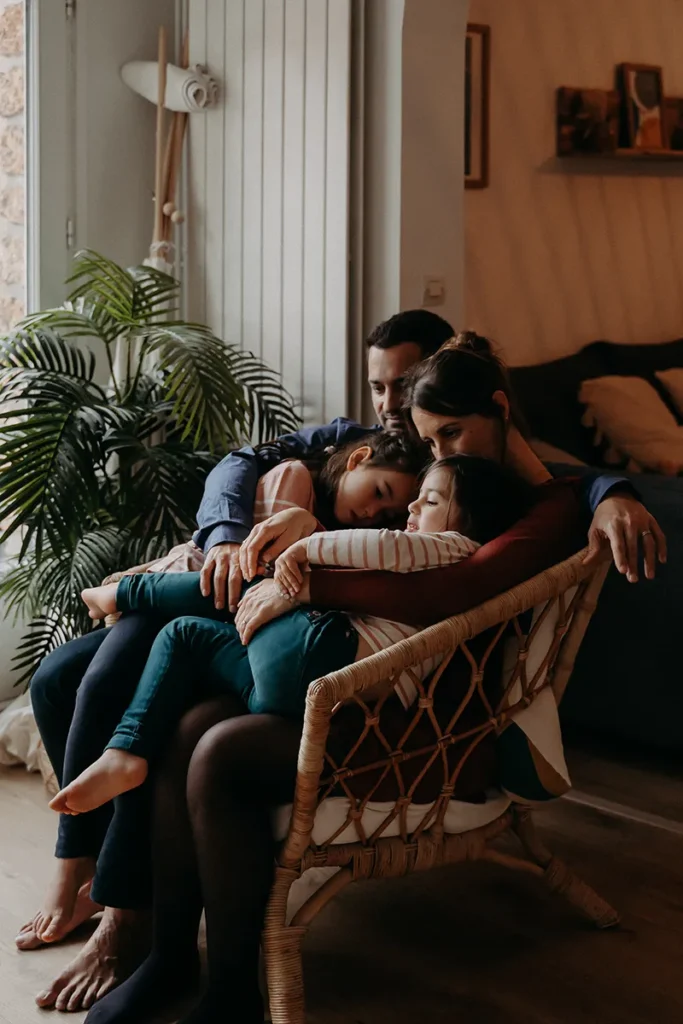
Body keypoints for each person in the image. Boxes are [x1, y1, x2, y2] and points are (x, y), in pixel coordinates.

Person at [21, 315, 664, 1013]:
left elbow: (450, 586)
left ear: (498, 410)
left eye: (448, 434)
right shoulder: (427, 471)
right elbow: (267, 471)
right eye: (425, 439)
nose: (431, 453)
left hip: (421, 714)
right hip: (353, 669)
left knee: (216, 748)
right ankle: (168, 952)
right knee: (179, 722)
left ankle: (231, 987)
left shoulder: (536, 505)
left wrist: (302, 577)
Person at [52, 454, 531, 817]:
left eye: (428, 501)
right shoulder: (441, 562)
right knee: (184, 635)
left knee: (253, 579)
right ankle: (125, 751)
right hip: (289, 691)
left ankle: (126, 591)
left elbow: (379, 546)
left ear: (470, 519)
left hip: (324, 652)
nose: (406, 508)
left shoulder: (452, 548)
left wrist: (304, 550)